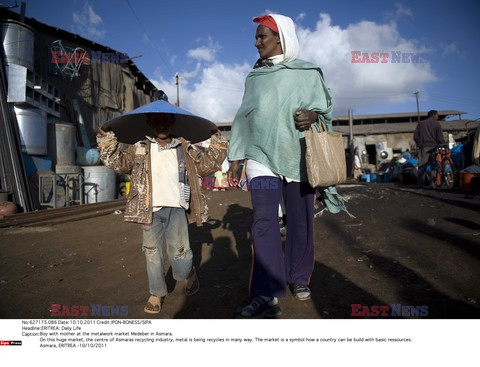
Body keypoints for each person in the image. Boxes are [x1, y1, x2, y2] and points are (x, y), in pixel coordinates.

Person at [227, 14, 333, 318]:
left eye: (263, 36)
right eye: (257, 37)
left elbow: (325, 110)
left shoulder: (308, 72)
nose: (257, 41)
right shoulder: (254, 76)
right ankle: (266, 291)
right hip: (260, 157)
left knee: (300, 221)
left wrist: (314, 117)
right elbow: (243, 116)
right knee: (264, 221)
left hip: (297, 156)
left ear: (281, 39)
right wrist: (236, 156)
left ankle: (298, 277)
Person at [97, 113, 227, 314]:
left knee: (180, 254)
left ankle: (188, 273)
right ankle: (157, 292)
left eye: (165, 121)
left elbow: (206, 167)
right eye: (156, 121)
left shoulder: (185, 147)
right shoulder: (139, 147)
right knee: (152, 253)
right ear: (149, 123)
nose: (161, 125)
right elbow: (119, 164)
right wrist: (106, 141)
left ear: (173, 122)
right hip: (150, 211)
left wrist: (217, 143)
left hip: (176, 209)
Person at [414, 110, 445, 187]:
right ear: (433, 115)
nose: (438, 117)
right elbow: (440, 137)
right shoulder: (437, 124)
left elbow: (415, 136)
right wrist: (442, 145)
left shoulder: (421, 123)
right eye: (437, 115)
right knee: (433, 165)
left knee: (422, 166)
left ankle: (420, 184)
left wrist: (419, 144)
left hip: (423, 147)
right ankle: (432, 183)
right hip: (434, 147)